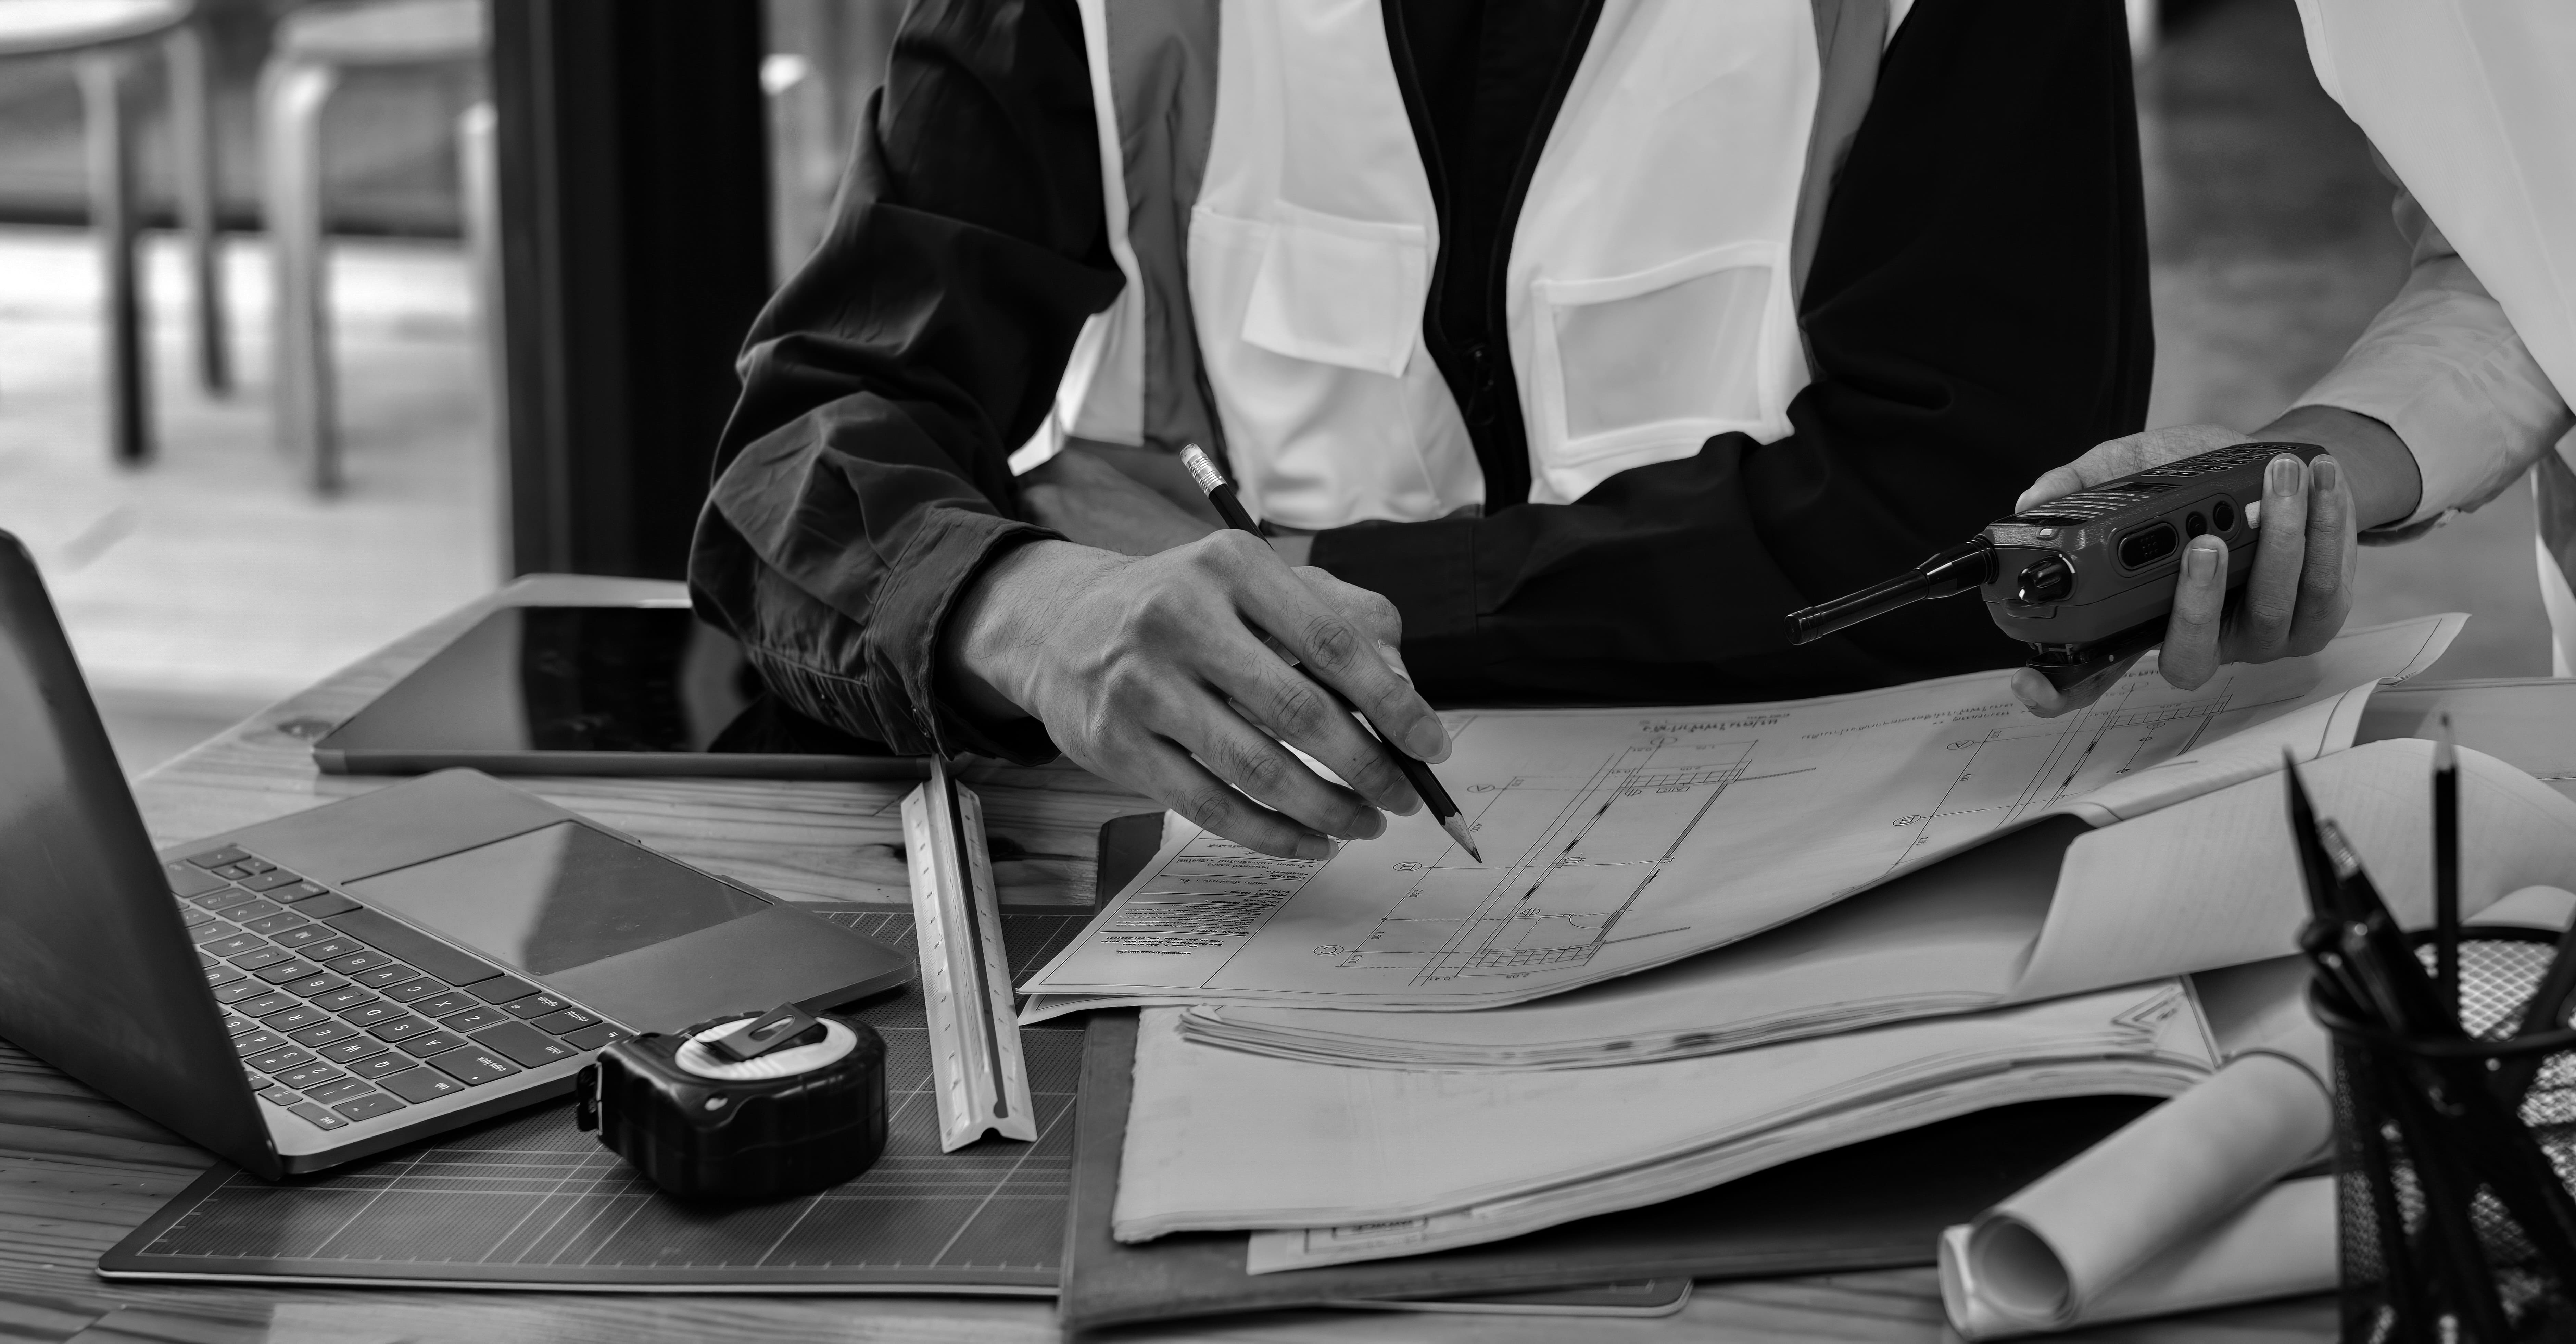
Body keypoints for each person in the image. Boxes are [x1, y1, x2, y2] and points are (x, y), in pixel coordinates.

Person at [689, 0, 2364, 859]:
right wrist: (1027, 608)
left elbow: (1966, 527)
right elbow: (808, 441)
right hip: (1259, 876)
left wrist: (1323, 587)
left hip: (1838, 868)